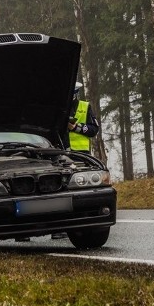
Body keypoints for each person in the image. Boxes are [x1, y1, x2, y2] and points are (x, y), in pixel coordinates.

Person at [52, 82, 100, 240]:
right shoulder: (57, 108)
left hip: (81, 155)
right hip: (61, 154)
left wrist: (76, 127)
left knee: (77, 190)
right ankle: (57, 228)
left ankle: (77, 223)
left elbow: (93, 130)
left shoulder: (84, 107)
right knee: (59, 189)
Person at [68, 82, 99, 152]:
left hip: (80, 154)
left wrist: (76, 127)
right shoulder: (56, 107)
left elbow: (94, 129)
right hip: (57, 152)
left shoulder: (85, 106)